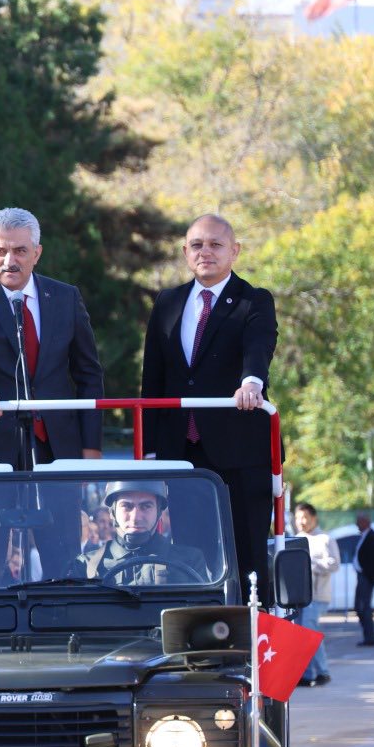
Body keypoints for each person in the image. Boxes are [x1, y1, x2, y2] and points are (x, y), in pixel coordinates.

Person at [141, 214, 277, 600]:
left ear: (234, 252)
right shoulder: (167, 303)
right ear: (185, 252)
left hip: (240, 450)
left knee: (248, 551)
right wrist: (150, 450)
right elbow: (153, 380)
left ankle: (253, 635)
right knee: (192, 554)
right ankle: (203, 637)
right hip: (182, 453)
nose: (206, 252)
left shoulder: (254, 300)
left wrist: (251, 383)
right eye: (197, 245)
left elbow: (259, 347)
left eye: (216, 244)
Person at [0, 207, 104, 467]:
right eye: (0, 251)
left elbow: (88, 373)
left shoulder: (66, 298)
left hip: (58, 446)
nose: (9, 261)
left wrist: (91, 446)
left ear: (37, 253)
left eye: (20, 251)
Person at [78, 481, 207, 585]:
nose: (135, 517)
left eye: (146, 506)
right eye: (127, 506)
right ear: (112, 512)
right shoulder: (86, 565)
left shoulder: (189, 561)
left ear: (159, 512)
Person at [294, 503, 339, 687]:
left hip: (317, 595)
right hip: (298, 596)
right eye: (298, 518)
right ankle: (308, 673)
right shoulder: (295, 539)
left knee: (309, 632)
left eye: (304, 517)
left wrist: (312, 563)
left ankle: (321, 671)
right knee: (302, 634)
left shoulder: (325, 539)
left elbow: (334, 563)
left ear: (314, 518)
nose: (301, 522)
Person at [352, 514, 374, 646]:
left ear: (365, 522)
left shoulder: (371, 537)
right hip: (362, 576)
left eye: (359, 522)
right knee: (359, 606)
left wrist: (366, 574)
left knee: (363, 607)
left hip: (367, 577)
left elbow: (373, 559)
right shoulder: (364, 536)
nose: (357, 525)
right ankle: (368, 635)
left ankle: (370, 637)